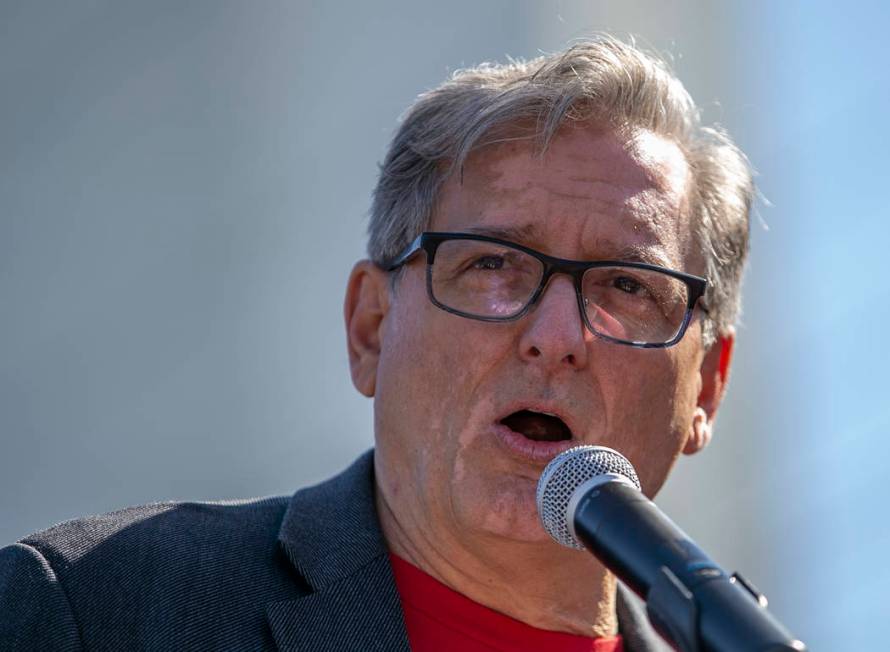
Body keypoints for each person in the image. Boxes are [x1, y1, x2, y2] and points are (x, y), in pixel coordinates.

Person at [0, 36, 751, 651]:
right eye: (492, 264)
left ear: (707, 389)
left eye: (626, 287)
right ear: (371, 328)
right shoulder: (96, 611)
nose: (557, 339)